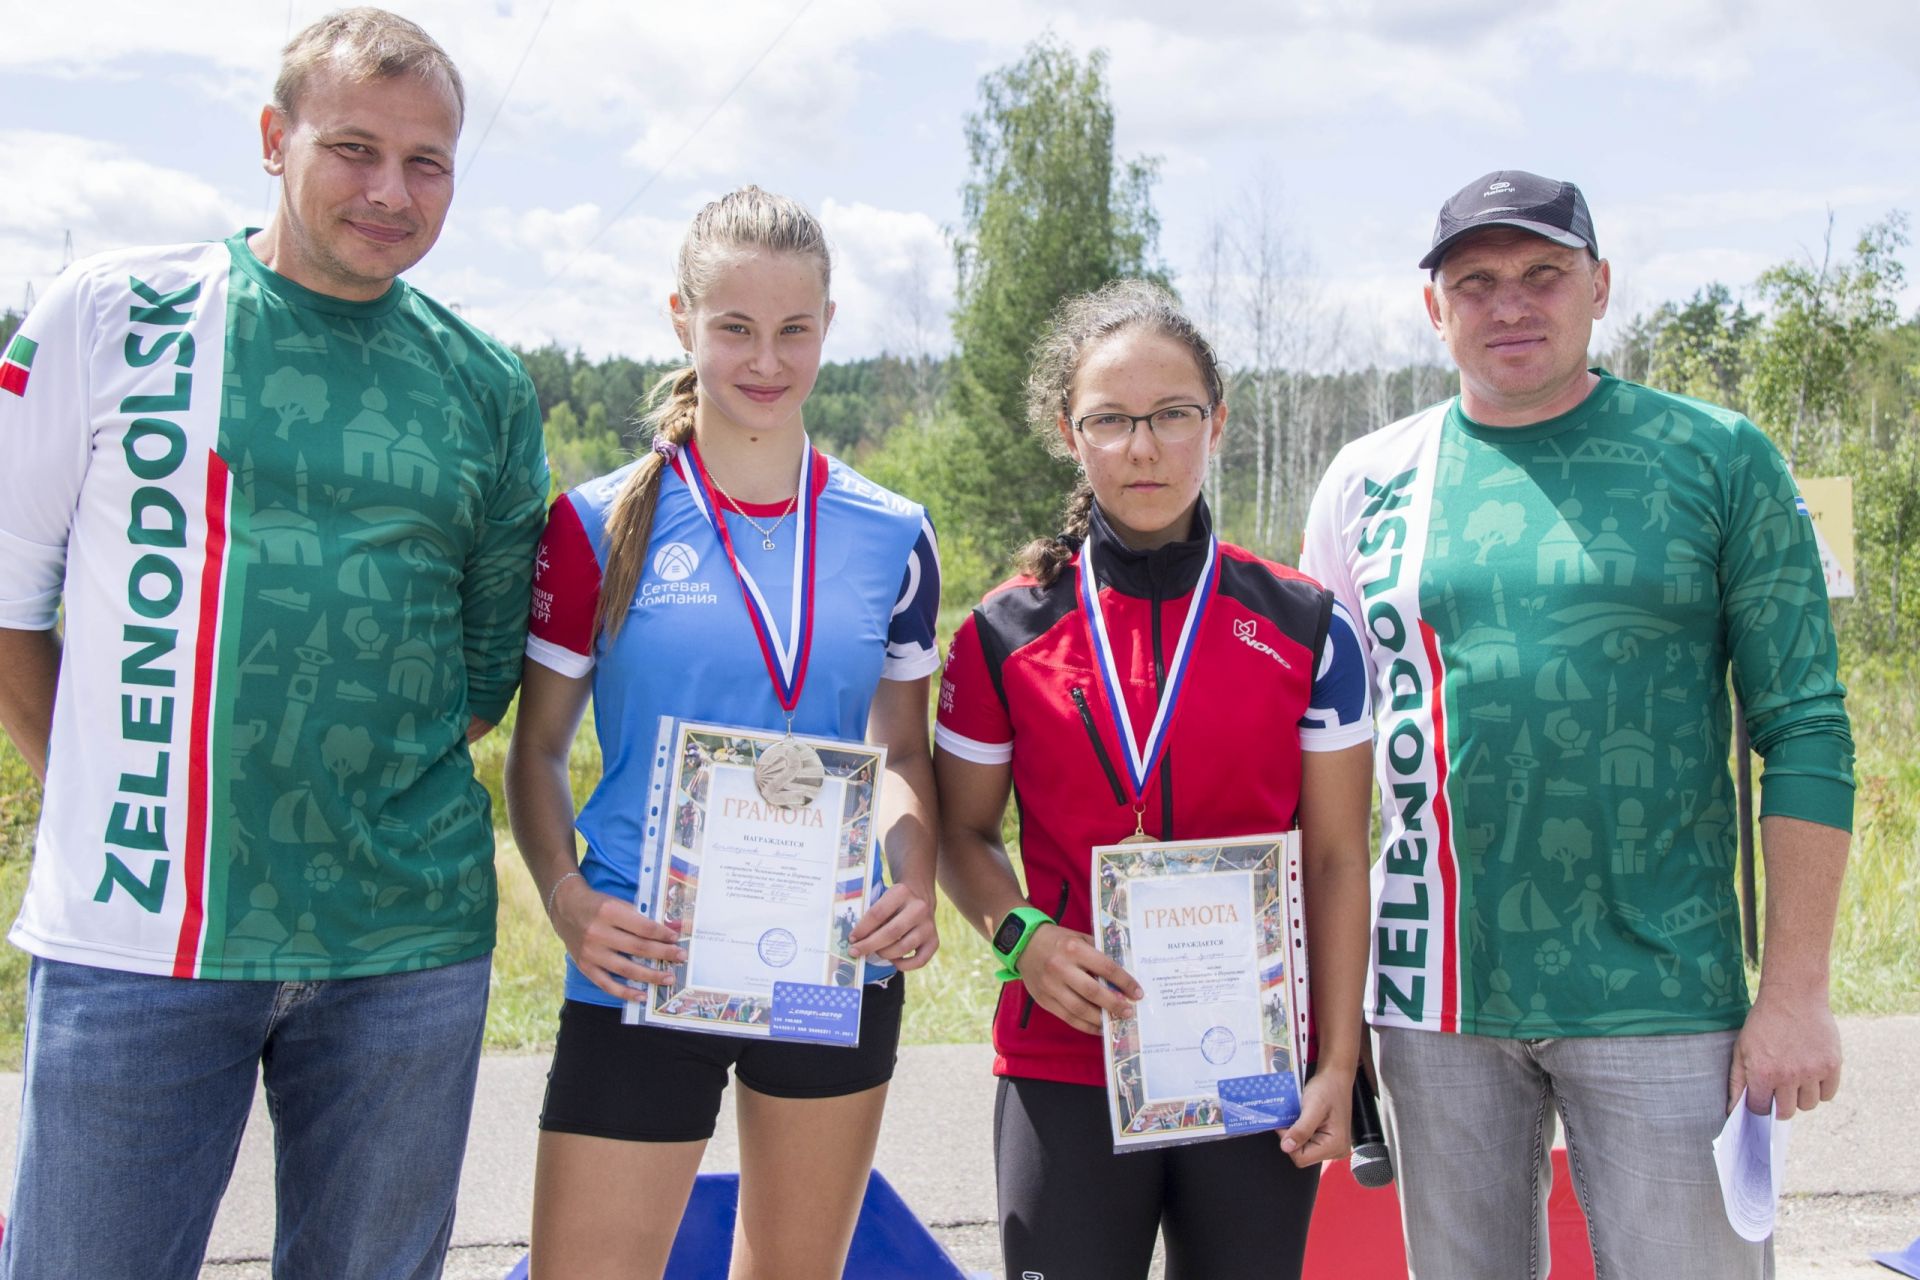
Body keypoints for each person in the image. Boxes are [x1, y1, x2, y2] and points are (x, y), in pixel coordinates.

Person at [0, 9, 549, 1278]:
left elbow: (477, 674)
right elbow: (10, 603)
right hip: (141, 937)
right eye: (354, 148)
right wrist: (98, 781)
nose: (389, 192)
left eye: (428, 163)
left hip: (403, 950)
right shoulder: (110, 314)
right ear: (271, 137)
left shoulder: (485, 382)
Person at [1299, 169, 1854, 1278]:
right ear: (1434, 308)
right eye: (1478, 281)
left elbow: (1805, 728)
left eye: (1544, 274)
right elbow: (1326, 767)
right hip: (1434, 1002)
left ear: (1599, 287)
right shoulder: (1366, 482)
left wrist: (1795, 989)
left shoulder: (1719, 457)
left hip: (1663, 996)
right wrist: (1330, 1010)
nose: (1511, 304)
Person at [505, 185, 942, 1280]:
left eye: (795, 328)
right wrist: (567, 898)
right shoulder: (596, 523)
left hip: (827, 960)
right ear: (680, 320)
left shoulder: (893, 534)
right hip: (640, 955)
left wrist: (915, 874)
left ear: (829, 325)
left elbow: (899, 753)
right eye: (735, 327)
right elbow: (537, 754)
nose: (766, 358)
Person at [934, 280, 1374, 1280]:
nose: (1145, 447)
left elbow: (1341, 857)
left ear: (1216, 422)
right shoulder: (1004, 630)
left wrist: (1338, 1063)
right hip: (1067, 1051)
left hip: (1253, 1058)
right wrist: (1021, 939)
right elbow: (963, 837)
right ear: (1069, 432)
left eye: (1173, 415)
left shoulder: (1307, 624)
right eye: (1113, 420)